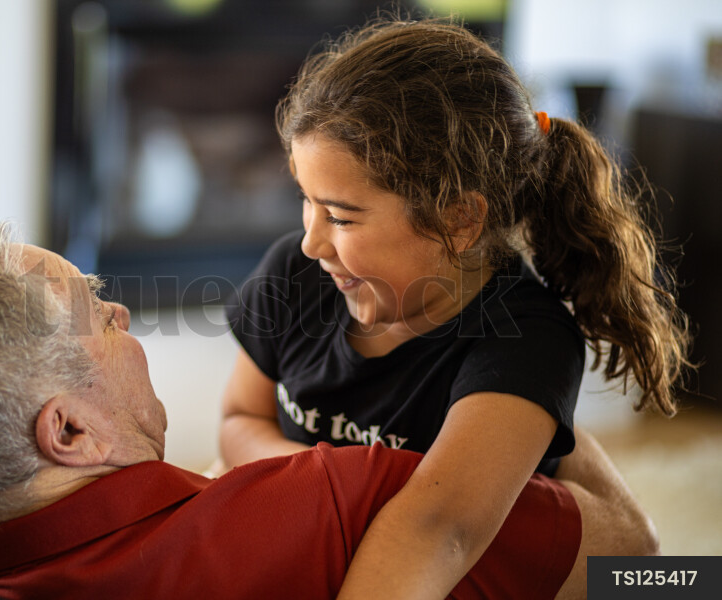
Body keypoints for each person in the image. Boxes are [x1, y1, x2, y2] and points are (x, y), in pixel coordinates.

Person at [0, 221, 651, 599]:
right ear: (69, 431)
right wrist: (527, 377)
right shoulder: (354, 504)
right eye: (93, 309)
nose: (119, 313)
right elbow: (651, 574)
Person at [220, 17, 687, 599]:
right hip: (342, 534)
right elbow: (241, 420)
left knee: (669, 581)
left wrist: (335, 493)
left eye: (340, 216)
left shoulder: (525, 338)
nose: (312, 242)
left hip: (492, 561)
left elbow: (439, 529)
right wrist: (321, 487)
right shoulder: (294, 269)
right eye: (305, 202)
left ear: (459, 219)